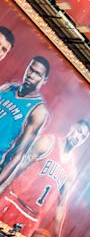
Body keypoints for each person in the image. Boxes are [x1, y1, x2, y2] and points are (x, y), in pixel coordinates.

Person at [0, 120, 90, 237]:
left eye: (83, 137)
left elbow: (61, 204)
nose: (78, 137)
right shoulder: (48, 142)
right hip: (14, 200)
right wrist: (2, 187)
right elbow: (19, 166)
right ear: (72, 127)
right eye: (79, 131)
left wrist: (56, 236)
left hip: (32, 218)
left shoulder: (71, 170)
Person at [0, 57, 51, 189]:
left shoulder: (38, 110)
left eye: (37, 74)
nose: (31, 75)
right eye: (30, 70)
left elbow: (18, 155)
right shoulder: (8, 88)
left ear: (44, 80)